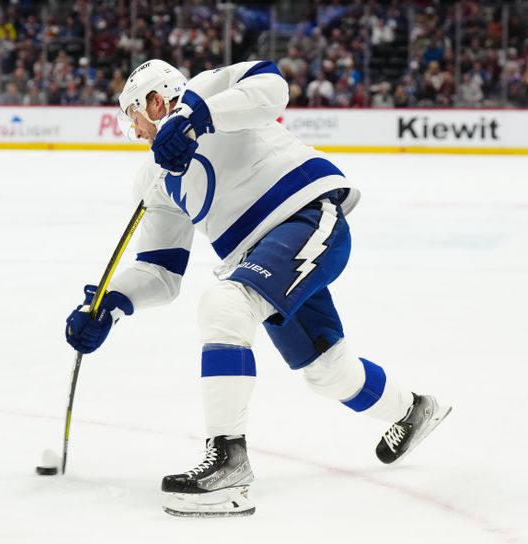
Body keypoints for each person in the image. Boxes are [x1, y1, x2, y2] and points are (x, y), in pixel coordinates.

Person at [65, 59, 451, 517]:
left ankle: (229, 465)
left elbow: (273, 87)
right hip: (262, 259)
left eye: (134, 118)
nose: (135, 132)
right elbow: (160, 272)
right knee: (328, 371)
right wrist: (111, 303)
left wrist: (194, 114)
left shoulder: (209, 89)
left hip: (306, 217)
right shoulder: (155, 178)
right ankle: (413, 410)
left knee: (226, 303)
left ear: (154, 101)